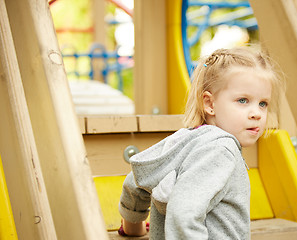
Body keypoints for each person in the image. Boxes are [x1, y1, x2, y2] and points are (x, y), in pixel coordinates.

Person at [118, 46, 281, 239]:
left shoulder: (185, 139)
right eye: (243, 100)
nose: (256, 113)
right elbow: (183, 214)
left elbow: (138, 177)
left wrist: (132, 225)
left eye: (263, 103)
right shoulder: (221, 149)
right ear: (210, 104)